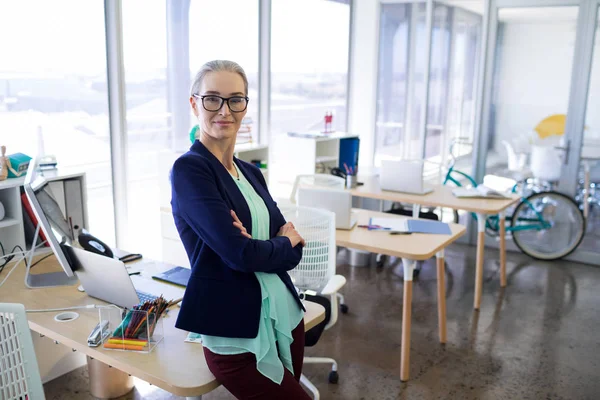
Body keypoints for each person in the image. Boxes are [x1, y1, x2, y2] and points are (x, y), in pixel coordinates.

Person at [170, 60, 311, 399]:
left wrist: (271, 246)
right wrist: (275, 243)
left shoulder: (251, 172)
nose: (225, 110)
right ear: (194, 104)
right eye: (212, 99)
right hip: (235, 332)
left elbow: (296, 248)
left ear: (245, 105)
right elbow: (240, 255)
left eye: (235, 99)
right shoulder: (191, 170)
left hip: (286, 317)